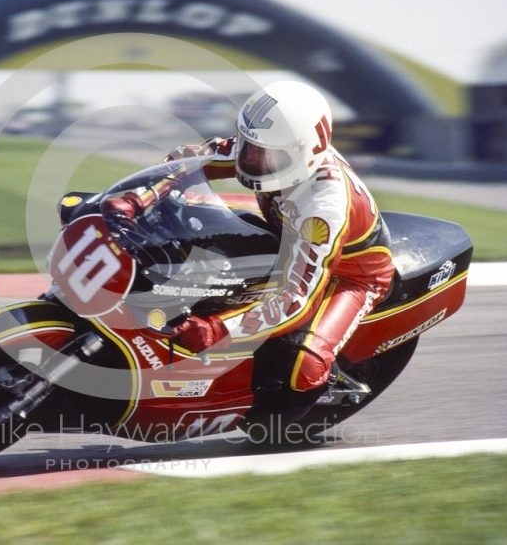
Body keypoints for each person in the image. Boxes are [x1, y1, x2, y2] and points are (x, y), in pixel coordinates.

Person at [105, 81, 396, 439]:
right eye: (249, 147)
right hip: (288, 239)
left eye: (267, 155)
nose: (252, 161)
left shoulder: (325, 208)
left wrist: (216, 329)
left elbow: (295, 300)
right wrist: (139, 197)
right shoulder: (269, 146)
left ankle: (284, 420)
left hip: (349, 275)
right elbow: (190, 159)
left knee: (301, 363)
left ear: (305, 154)